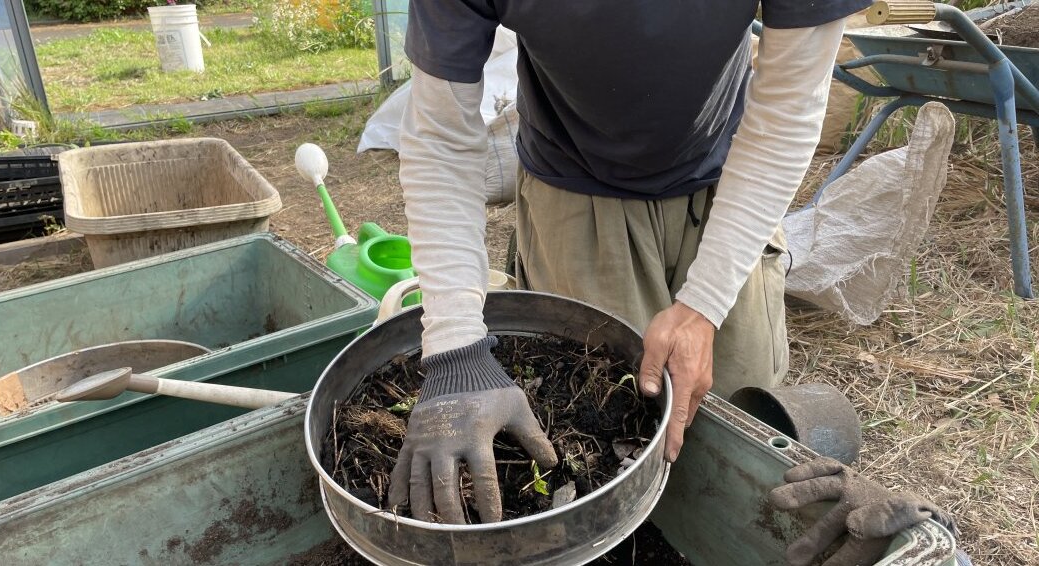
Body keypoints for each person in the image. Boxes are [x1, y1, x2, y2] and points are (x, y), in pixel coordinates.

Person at [388, 2, 959, 565]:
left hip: (731, 178)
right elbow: (440, 139)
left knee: (739, 414)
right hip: (575, 187)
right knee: (597, 427)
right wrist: (456, 350)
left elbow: (788, 105)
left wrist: (704, 304)